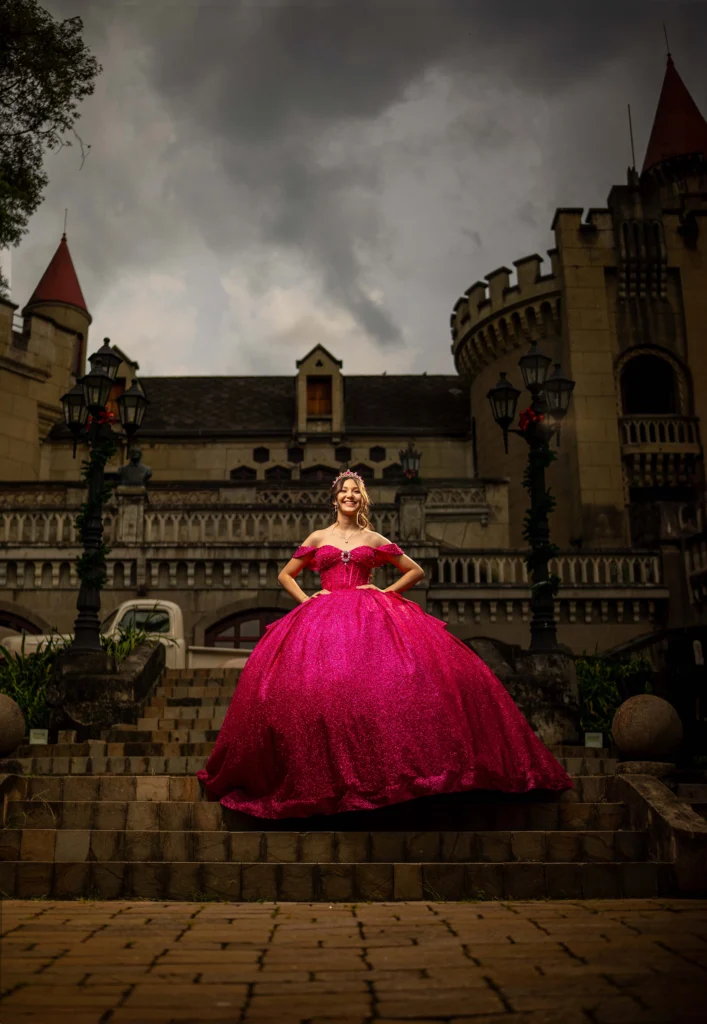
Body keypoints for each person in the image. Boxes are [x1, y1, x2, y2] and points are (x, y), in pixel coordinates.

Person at [197, 470, 572, 818]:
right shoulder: (317, 537)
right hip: (324, 611)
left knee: (388, 681)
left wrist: (385, 591)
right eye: (343, 491)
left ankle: (394, 776)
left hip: (367, 608)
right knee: (313, 686)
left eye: (354, 491)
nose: (349, 495)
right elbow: (286, 573)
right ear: (334, 500)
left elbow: (415, 570)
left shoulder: (373, 539)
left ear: (362, 499)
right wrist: (307, 600)